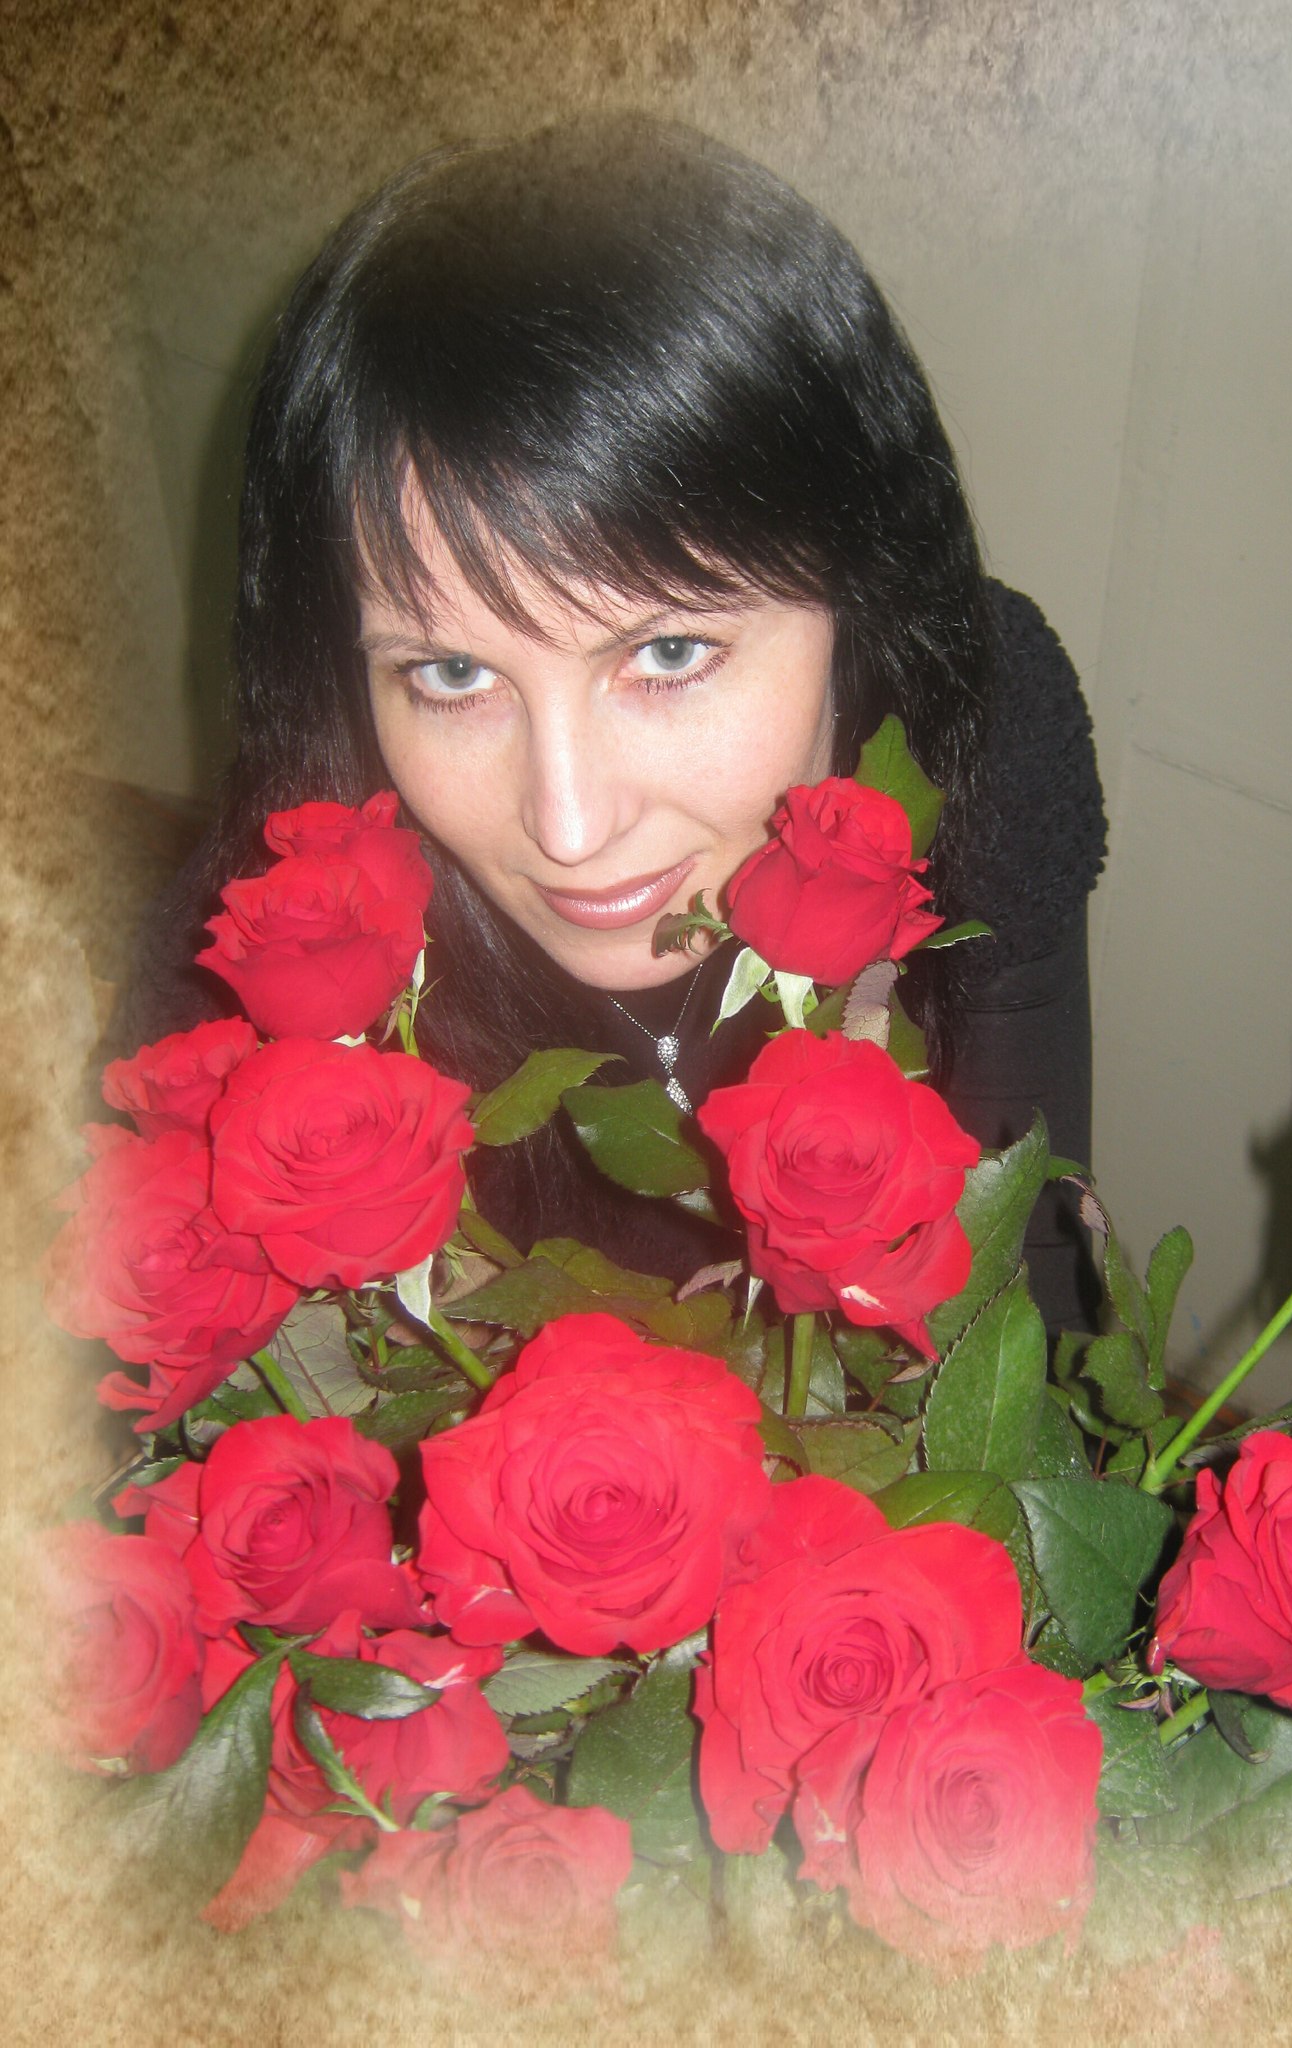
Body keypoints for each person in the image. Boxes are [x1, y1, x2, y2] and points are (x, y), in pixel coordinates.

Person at [114, 121, 1108, 1332]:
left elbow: (1032, 1292)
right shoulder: (240, 991)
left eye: (668, 652)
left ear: (863, 585)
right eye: (450, 673)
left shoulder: (986, 729)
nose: (570, 827)